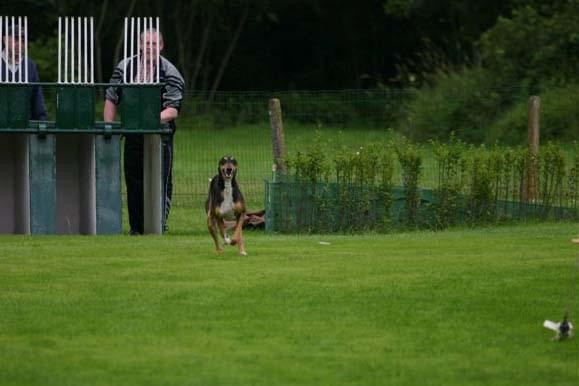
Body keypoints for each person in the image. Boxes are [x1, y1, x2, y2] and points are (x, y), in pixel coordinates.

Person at [104, 29, 184, 235]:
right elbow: (112, 97)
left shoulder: (170, 72)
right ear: (139, 45)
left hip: (160, 137)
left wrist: (147, 121)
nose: (150, 47)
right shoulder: (125, 67)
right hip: (132, 135)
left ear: (162, 46)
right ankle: (136, 228)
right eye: (146, 43)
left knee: (160, 179)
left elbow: (173, 109)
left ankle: (158, 225)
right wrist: (109, 127)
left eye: (154, 44)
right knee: (133, 180)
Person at [0, 24, 47, 120]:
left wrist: (42, 120)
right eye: (15, 39)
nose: (19, 44)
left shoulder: (30, 66)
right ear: (5, 40)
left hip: (23, 127)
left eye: (23, 40)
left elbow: (37, 98)